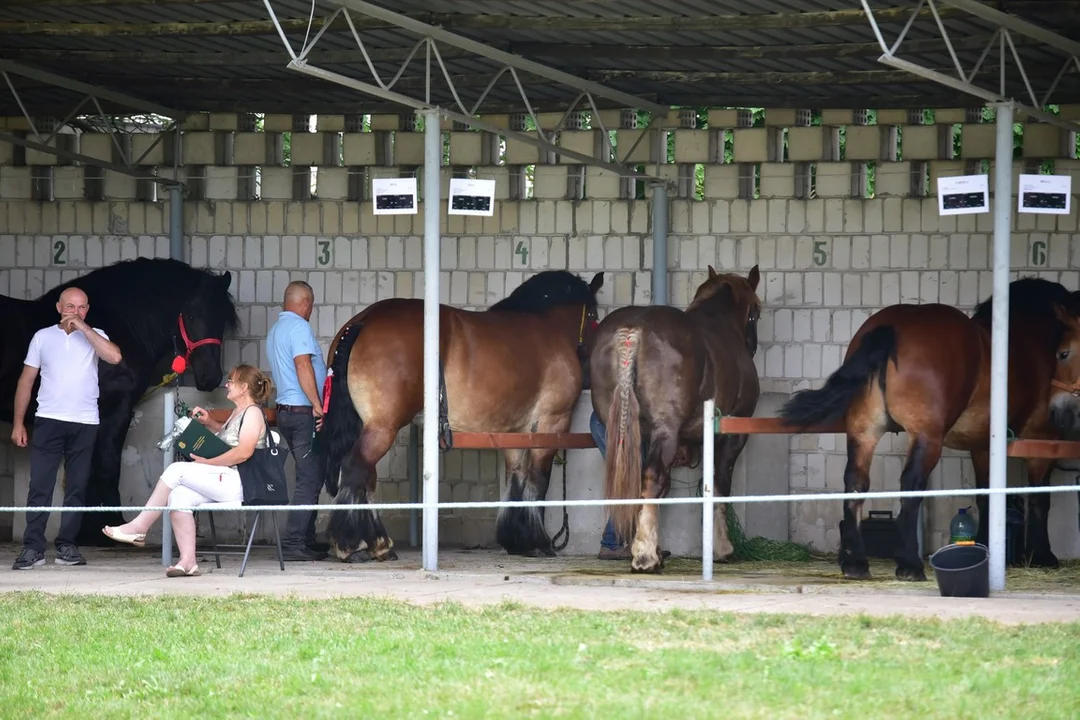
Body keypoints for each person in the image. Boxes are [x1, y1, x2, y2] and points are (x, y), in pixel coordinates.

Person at [101, 364, 272, 577]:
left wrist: (206, 463)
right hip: (226, 478)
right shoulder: (239, 412)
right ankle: (188, 561)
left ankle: (139, 527)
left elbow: (243, 452)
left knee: (176, 470)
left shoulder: (253, 413)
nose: (226, 385)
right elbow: (230, 437)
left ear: (244, 387)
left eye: (231, 381)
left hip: (242, 481)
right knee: (178, 495)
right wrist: (210, 422)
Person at [11, 286, 123, 570]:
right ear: (59, 308)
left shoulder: (96, 335)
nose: (76, 311)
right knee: (40, 486)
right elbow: (26, 381)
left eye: (82, 307)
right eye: (70, 306)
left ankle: (67, 546)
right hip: (48, 419)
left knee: (77, 486)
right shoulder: (43, 337)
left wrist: (84, 328)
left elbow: (114, 357)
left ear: (87, 310)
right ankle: (33, 548)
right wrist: (18, 422)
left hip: (85, 422)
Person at [265, 280, 330, 561]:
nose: (311, 312)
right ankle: (293, 543)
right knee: (309, 478)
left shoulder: (276, 329)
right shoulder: (299, 327)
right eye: (311, 306)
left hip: (286, 413)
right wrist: (317, 405)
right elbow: (302, 365)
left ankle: (306, 538)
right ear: (305, 303)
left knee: (310, 476)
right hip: (302, 413)